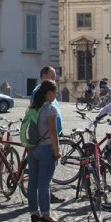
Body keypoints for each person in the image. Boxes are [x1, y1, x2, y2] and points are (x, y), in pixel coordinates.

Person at [26, 80, 62, 222]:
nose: (56, 94)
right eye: (55, 92)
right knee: (44, 184)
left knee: (32, 183)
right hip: (46, 149)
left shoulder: (33, 107)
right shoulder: (50, 109)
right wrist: (57, 151)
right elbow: (53, 132)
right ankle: (46, 214)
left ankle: (34, 212)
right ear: (49, 93)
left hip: (32, 149)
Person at [31, 65, 64, 204]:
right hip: (45, 139)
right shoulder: (40, 92)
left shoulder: (49, 91)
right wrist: (56, 149)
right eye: (52, 77)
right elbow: (44, 120)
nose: (54, 80)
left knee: (42, 176)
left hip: (47, 137)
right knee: (44, 176)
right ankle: (45, 205)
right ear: (43, 76)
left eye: (55, 78)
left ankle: (38, 205)